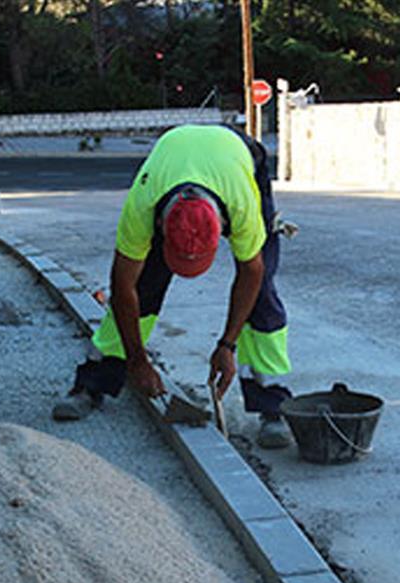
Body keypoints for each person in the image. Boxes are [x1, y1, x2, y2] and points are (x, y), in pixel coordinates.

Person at [52, 124, 294, 448]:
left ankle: (272, 403)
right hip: (174, 162)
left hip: (237, 157)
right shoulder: (143, 205)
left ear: (223, 226)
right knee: (143, 287)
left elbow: (250, 273)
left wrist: (227, 345)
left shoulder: (241, 204)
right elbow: (123, 286)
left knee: (261, 292)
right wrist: (138, 362)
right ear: (162, 229)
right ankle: (93, 381)